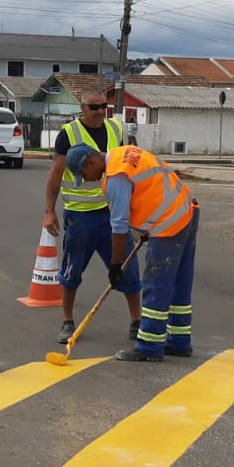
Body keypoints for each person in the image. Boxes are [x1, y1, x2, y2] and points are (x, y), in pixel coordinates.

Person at [67, 143, 199, 363]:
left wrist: (115, 265)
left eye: (84, 174)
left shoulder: (117, 177)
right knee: (178, 284)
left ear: (90, 163)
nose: (88, 179)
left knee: (156, 283)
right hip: (186, 211)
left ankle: (149, 346)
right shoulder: (124, 154)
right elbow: (151, 189)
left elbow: (119, 226)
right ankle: (179, 342)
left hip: (170, 223)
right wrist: (147, 229)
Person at [44, 100, 142, 343]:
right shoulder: (68, 134)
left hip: (111, 214)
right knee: (72, 270)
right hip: (80, 217)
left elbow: (129, 161)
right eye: (93, 107)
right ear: (82, 107)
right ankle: (68, 322)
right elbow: (56, 174)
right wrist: (49, 211)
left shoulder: (116, 129)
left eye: (103, 106)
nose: (99, 111)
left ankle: (137, 322)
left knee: (127, 269)